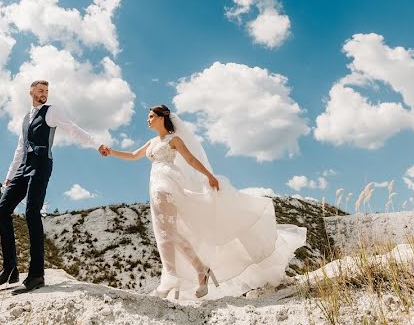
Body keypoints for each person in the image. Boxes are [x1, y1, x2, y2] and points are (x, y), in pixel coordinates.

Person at [100, 104, 307, 300]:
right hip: (155, 185)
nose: (148, 119)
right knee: (168, 231)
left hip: (167, 185)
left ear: (163, 118)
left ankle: (170, 277)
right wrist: (111, 152)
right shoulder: (152, 143)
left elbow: (190, 160)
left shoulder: (174, 140)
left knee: (164, 231)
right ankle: (200, 269)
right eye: (148, 117)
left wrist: (209, 176)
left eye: (151, 116)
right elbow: (133, 155)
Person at [0, 79, 105, 295]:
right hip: (23, 166)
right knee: (2, 210)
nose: (44, 94)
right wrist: (9, 177)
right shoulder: (25, 118)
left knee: (32, 212)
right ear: (31, 92)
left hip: (41, 164)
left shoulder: (52, 111)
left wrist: (97, 144)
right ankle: (10, 269)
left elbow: (73, 128)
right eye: (40, 90)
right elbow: (20, 149)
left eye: (47, 91)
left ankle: (36, 275)